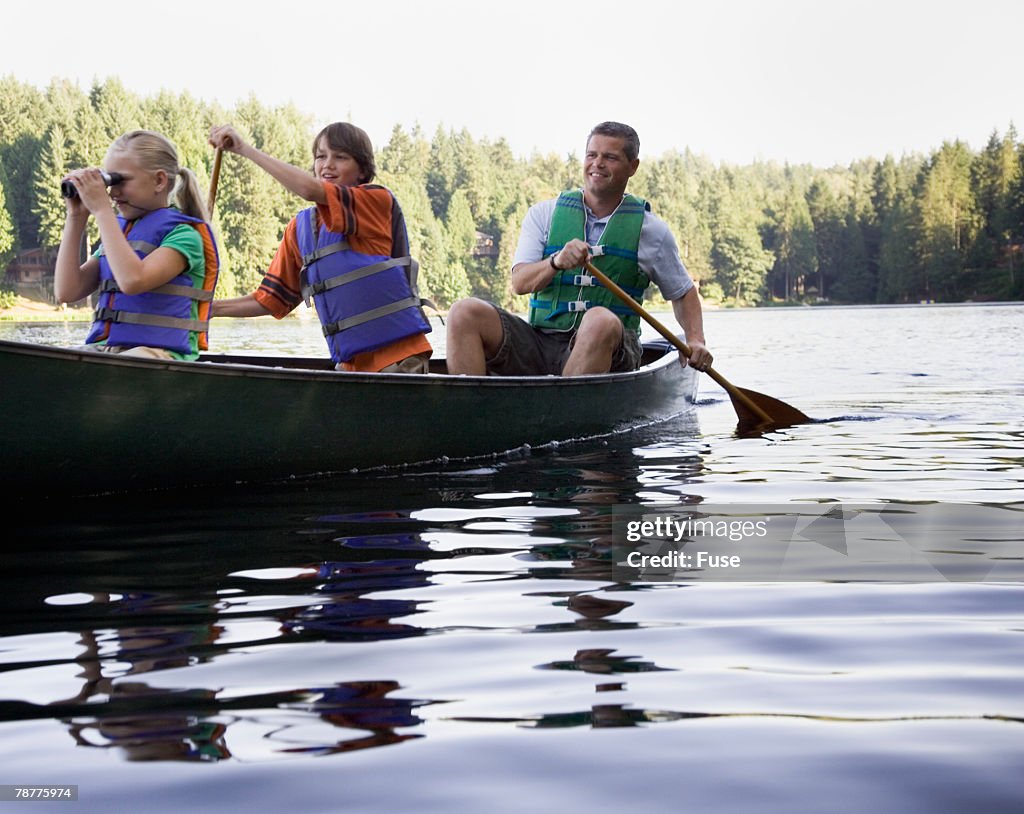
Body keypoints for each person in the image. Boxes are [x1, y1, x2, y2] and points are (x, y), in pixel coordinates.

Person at [445, 121, 712, 377]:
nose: (597, 163)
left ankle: (565, 412)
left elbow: (683, 292)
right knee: (463, 311)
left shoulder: (651, 231)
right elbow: (520, 283)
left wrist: (696, 340)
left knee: (599, 320)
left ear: (633, 167)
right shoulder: (543, 214)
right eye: (591, 155)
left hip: (613, 348)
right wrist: (555, 262)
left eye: (610, 157)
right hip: (540, 341)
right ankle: (470, 410)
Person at [207, 123, 433, 373]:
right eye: (320, 156)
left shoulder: (376, 201)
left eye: (341, 157)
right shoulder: (300, 230)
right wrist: (211, 308)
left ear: (362, 170)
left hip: (400, 361)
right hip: (351, 369)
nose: (327, 164)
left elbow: (308, 190)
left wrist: (243, 149)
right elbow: (270, 300)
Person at [54, 130, 220, 361]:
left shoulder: (185, 236)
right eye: (110, 180)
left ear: (159, 181)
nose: (112, 192)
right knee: (61, 360)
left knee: (125, 362)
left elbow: (133, 280)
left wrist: (102, 210)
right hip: (109, 351)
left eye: (121, 180)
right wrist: (76, 217)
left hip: (161, 355)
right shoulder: (121, 235)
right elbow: (67, 291)